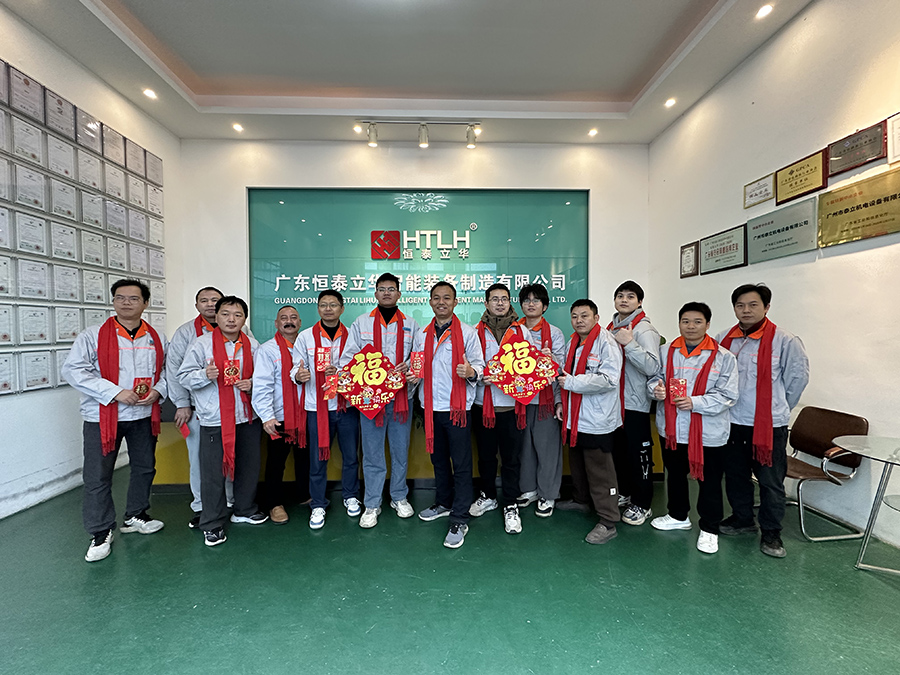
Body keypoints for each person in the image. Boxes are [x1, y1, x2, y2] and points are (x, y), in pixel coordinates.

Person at [63, 279, 168, 563]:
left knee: (144, 467)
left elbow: (166, 371)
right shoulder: (93, 335)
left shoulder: (156, 337)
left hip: (143, 414)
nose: (126, 303)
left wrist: (158, 390)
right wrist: (114, 392)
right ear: (113, 302)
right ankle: (100, 531)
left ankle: (136, 514)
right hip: (103, 416)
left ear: (145, 303)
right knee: (98, 475)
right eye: (120, 297)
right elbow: (74, 370)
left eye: (133, 298)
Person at [716, 284, 809, 558]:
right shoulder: (724, 339)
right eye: (740, 305)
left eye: (753, 304)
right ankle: (742, 518)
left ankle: (771, 533)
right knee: (736, 476)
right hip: (732, 421)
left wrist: (775, 408)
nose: (746, 310)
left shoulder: (785, 340)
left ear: (766, 307)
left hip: (768, 425)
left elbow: (797, 379)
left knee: (770, 481)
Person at [649, 302, 739, 555]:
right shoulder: (665, 351)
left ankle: (709, 528)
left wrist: (695, 402)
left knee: (709, 480)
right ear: (679, 323)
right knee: (675, 474)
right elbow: (654, 377)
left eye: (697, 322)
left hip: (707, 431)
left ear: (707, 325)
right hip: (673, 428)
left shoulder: (724, 357)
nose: (690, 326)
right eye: (685, 321)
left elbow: (728, 395)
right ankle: (678, 515)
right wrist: (655, 389)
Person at [178, 296, 267, 547]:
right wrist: (204, 375)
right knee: (213, 473)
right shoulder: (201, 344)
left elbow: (265, 376)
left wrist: (252, 383)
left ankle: (244, 509)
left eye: (237, 315)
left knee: (248, 466)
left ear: (244, 319)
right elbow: (183, 376)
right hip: (214, 418)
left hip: (247, 416)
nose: (231, 319)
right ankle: (212, 523)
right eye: (226, 314)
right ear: (216, 317)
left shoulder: (252, 344)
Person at [340, 273, 419, 529]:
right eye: (382, 289)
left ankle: (399, 496)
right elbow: (348, 359)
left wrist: (410, 369)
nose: (386, 293)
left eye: (391, 289)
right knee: (372, 453)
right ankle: (372, 503)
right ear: (375, 293)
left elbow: (419, 359)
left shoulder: (411, 324)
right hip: (370, 401)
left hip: (401, 399)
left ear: (399, 294)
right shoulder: (361, 323)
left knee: (400, 450)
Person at [410, 281, 485, 548]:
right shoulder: (422, 334)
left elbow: (480, 366)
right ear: (430, 302)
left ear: (455, 302)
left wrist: (471, 372)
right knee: (438, 460)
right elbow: (416, 364)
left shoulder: (468, 333)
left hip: (458, 410)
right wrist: (411, 374)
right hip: (431, 408)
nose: (441, 302)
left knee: (462, 464)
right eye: (436, 298)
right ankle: (443, 502)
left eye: (446, 298)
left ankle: (460, 517)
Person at [166, 287, 245, 528]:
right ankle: (202, 506)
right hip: (199, 408)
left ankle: (229, 502)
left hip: (235, 409)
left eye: (214, 301)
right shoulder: (187, 334)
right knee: (202, 461)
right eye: (204, 301)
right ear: (197, 305)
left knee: (231, 457)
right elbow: (175, 370)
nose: (210, 305)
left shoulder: (243, 333)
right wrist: (182, 403)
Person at [292, 290, 361, 530]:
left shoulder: (353, 336)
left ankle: (350, 495)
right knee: (318, 458)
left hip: (346, 406)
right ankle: (318, 503)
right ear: (318, 309)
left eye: (333, 304)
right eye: (323, 305)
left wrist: (341, 373)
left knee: (350, 456)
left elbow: (360, 369)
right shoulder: (305, 337)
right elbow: (295, 368)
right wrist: (299, 375)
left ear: (342, 308)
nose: (328, 309)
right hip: (317, 407)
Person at [557, 299, 623, 545]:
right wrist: (560, 402)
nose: (579, 320)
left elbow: (609, 379)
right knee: (577, 462)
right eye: (574, 316)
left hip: (597, 418)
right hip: (575, 416)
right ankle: (581, 500)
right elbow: (563, 375)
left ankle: (608, 521)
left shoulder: (606, 342)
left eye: (584, 315)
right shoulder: (572, 342)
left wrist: (574, 383)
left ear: (596, 318)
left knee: (600, 470)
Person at [507, 283, 566, 518]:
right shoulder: (513, 330)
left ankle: (548, 494)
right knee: (525, 449)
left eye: (536, 300)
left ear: (545, 306)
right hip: (519, 400)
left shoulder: (555, 333)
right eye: (526, 300)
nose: (531, 304)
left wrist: (548, 361)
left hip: (545, 400)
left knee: (547, 449)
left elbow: (561, 368)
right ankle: (529, 489)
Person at [471, 283, 525, 534]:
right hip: (483, 405)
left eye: (504, 299)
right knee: (485, 456)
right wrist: (480, 375)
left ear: (510, 302)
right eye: (495, 299)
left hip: (512, 407)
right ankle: (488, 495)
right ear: (486, 303)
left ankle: (511, 503)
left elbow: (530, 368)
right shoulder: (474, 332)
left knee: (512, 459)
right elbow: (469, 364)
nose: (500, 303)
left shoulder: (522, 331)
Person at [607, 281, 661, 526]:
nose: (624, 300)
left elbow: (652, 366)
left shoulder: (644, 329)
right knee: (620, 452)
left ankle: (642, 503)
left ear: (639, 302)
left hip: (634, 404)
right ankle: (626, 493)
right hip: (614, 403)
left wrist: (629, 343)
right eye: (620, 295)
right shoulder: (611, 328)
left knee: (639, 455)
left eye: (630, 296)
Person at [251, 305, 309, 525]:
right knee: (276, 462)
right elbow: (262, 385)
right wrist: (267, 416)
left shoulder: (307, 346)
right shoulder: (267, 350)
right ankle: (274, 503)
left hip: (305, 414)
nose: (289, 321)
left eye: (293, 317)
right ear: (276, 324)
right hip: (279, 416)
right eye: (283, 318)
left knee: (305, 458)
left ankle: (305, 494)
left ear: (300, 323)